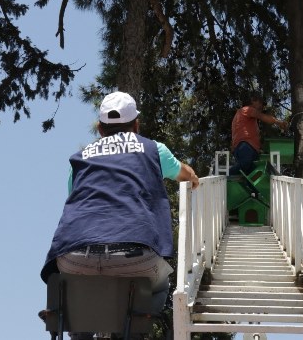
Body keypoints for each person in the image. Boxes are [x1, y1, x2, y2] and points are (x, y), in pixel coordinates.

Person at [40, 91, 199, 335]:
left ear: (101, 129)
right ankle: (132, 330)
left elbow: (74, 199)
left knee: (79, 288)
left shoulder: (81, 158)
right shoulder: (154, 150)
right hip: (136, 257)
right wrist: (194, 179)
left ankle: (79, 333)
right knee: (161, 285)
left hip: (74, 257)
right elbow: (184, 174)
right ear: (136, 125)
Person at [229, 91, 288, 176]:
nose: (261, 106)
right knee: (245, 163)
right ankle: (226, 174)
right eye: (260, 102)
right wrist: (279, 122)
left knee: (250, 174)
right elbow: (263, 117)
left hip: (248, 148)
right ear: (252, 100)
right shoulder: (247, 110)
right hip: (245, 146)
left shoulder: (245, 116)